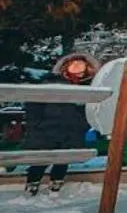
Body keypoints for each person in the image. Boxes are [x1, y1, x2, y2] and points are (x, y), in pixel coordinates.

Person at [21, 52, 96, 197]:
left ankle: (55, 187)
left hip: (72, 129)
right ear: (65, 66)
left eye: (81, 64)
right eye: (73, 64)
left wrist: (85, 125)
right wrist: (35, 125)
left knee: (63, 160)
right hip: (47, 128)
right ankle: (31, 187)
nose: (76, 67)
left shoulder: (90, 87)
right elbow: (33, 105)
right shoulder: (50, 82)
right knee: (41, 160)